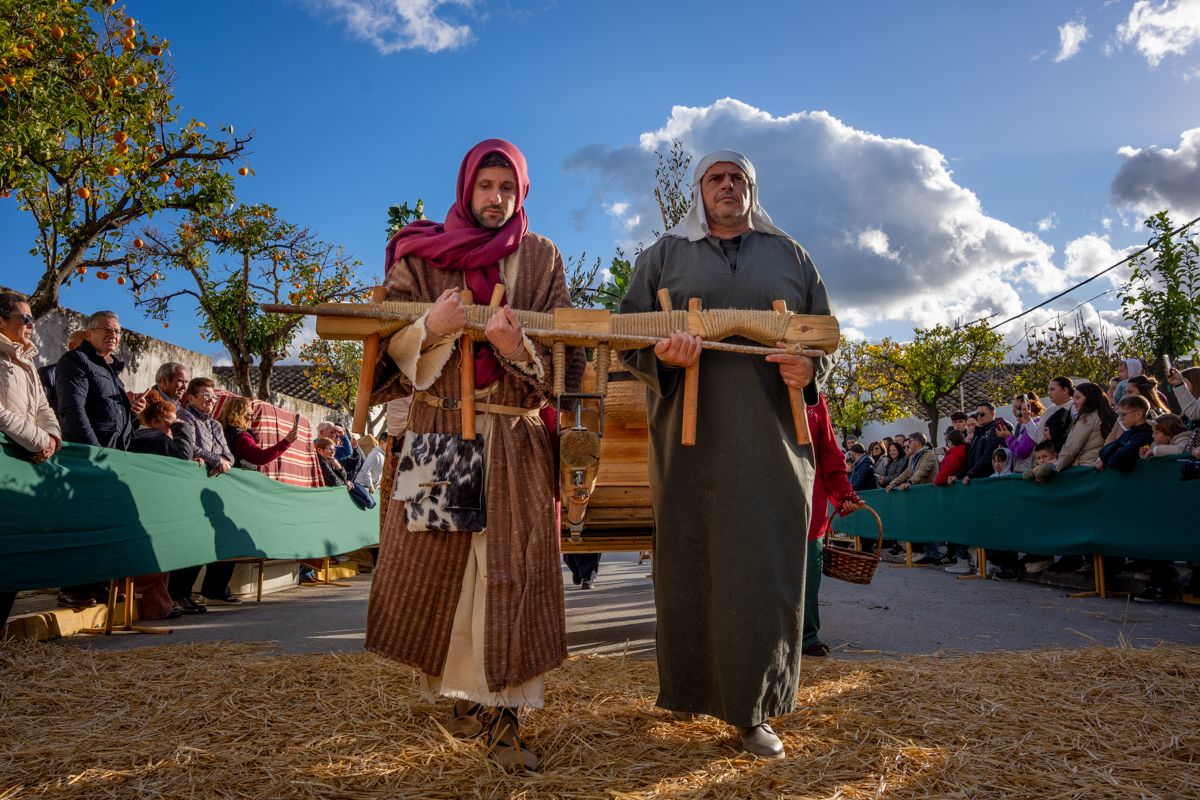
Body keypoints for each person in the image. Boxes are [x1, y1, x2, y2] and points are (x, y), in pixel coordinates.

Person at [364, 139, 582, 772]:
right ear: (467, 188)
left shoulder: (542, 259)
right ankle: (461, 697)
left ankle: (506, 716)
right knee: (446, 577)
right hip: (438, 433)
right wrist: (427, 331)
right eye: (486, 186)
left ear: (522, 193)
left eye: (507, 188)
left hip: (515, 437)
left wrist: (518, 351)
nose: (496, 199)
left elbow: (569, 364)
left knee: (511, 574)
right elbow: (380, 350)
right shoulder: (419, 257)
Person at [620, 148, 834, 760]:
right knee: (694, 558)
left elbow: (824, 333)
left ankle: (754, 709)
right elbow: (624, 332)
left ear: (752, 190)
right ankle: (691, 690)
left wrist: (808, 366)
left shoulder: (791, 256)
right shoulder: (663, 255)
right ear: (699, 190)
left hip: (771, 440)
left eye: (738, 178)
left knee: (764, 567)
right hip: (690, 440)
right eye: (716, 177)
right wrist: (660, 355)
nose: (727, 186)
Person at [53, 310, 146, 607]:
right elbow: (73, 411)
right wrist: (94, 455)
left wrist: (133, 413)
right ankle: (73, 588)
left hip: (115, 461)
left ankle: (97, 583)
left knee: (105, 524)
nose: (113, 335)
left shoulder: (112, 372)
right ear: (89, 332)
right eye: (106, 330)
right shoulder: (75, 362)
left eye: (117, 331)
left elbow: (117, 422)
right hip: (90, 459)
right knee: (82, 524)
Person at [0, 292, 62, 630]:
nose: (31, 324)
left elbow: (43, 408)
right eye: (24, 318)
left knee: (11, 562)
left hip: (22, 471)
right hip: (8, 463)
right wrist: (37, 440)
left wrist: (51, 439)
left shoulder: (27, 360)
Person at [126, 391, 197, 619]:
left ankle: (160, 605)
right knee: (157, 561)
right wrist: (181, 427)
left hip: (148, 503)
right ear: (157, 421)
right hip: (153, 505)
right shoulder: (154, 439)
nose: (173, 424)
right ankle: (157, 607)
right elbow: (183, 455)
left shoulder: (143, 438)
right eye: (170, 420)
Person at [803, 395, 864, 658]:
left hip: (808, 507)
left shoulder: (814, 399)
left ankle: (806, 636)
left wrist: (844, 495)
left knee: (807, 577)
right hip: (757, 507)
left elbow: (829, 453)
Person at [177, 377, 243, 605]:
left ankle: (215, 588)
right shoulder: (185, 416)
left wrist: (223, 461)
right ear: (191, 397)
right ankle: (180, 593)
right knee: (195, 541)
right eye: (205, 395)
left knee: (225, 538)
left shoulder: (215, 425)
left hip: (216, 489)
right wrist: (216, 460)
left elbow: (230, 455)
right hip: (193, 487)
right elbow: (191, 446)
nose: (210, 400)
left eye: (213, 396)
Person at [219, 396, 299, 471]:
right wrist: (286, 442)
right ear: (238, 415)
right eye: (249, 414)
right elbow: (260, 457)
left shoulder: (219, 429)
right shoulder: (241, 437)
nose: (252, 418)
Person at [1055, 383, 1116, 472]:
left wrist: (1055, 468)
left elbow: (1071, 449)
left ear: (1089, 398)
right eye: (1074, 398)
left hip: (1086, 468)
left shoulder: (1086, 418)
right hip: (1103, 467)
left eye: (1078, 398)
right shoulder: (1110, 415)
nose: (1074, 402)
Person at [1097, 395, 1154, 473]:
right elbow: (1103, 451)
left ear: (1138, 414)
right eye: (1119, 415)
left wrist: (1116, 450)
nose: (1120, 418)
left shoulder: (1144, 435)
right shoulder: (1128, 433)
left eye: (1123, 414)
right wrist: (1118, 448)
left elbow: (1121, 461)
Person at [1036, 377, 1074, 453]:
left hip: (1061, 455)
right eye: (1049, 390)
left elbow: (1074, 434)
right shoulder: (1049, 410)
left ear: (1065, 390)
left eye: (1052, 389)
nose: (1049, 393)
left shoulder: (1073, 407)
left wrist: (1053, 435)